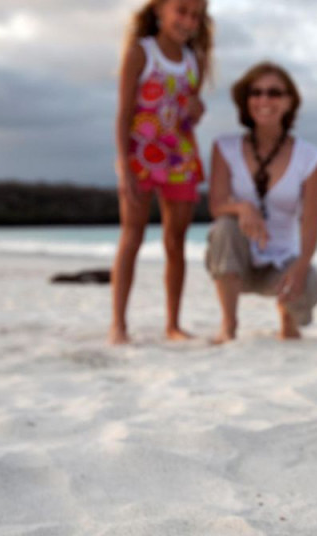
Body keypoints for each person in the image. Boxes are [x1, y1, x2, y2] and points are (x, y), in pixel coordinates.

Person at [110, 0, 213, 345]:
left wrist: (197, 110)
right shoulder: (142, 52)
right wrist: (123, 164)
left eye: (196, 15)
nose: (188, 20)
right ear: (159, 11)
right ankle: (118, 326)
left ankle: (173, 324)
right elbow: (124, 113)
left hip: (180, 155)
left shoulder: (194, 60)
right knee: (132, 237)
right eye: (181, 10)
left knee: (176, 243)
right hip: (141, 154)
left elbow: (189, 112)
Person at [204, 62, 317, 343]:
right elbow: (217, 204)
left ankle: (287, 319)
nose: (264, 100)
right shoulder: (225, 147)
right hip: (238, 259)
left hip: (282, 261)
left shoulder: (310, 157)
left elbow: (310, 223)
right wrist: (242, 207)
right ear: (245, 101)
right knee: (224, 227)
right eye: (255, 93)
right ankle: (229, 324)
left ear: (289, 101)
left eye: (274, 93)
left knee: (312, 282)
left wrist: (300, 267)